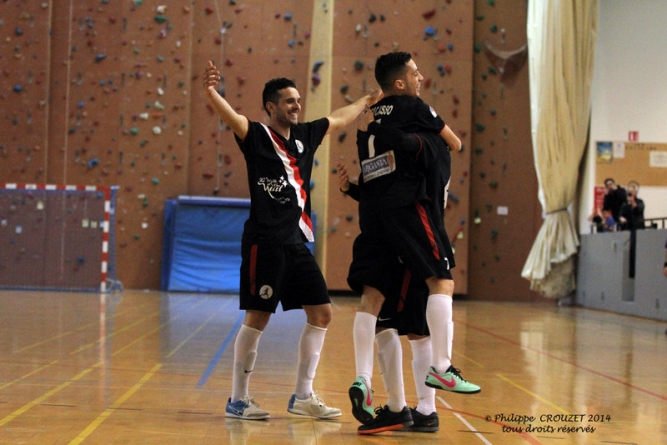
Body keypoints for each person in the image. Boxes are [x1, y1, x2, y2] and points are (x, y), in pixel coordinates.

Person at [203, 60, 380, 420]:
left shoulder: (307, 136)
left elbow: (340, 118)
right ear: (271, 107)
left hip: (298, 242)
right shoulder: (256, 136)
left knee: (322, 313)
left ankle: (302, 396)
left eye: (298, 100)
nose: (296, 106)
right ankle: (238, 400)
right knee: (258, 317)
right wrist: (211, 93)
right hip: (264, 242)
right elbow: (232, 118)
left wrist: (365, 101)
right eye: (289, 101)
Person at [346, 52, 479, 435]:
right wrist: (431, 133)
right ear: (401, 83)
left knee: (378, 305)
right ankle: (441, 371)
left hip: (376, 218)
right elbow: (455, 143)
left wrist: (351, 188)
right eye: (416, 73)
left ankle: (387, 395)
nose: (421, 77)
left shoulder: (369, 129)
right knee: (441, 283)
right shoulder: (417, 114)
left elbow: (376, 176)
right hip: (412, 213)